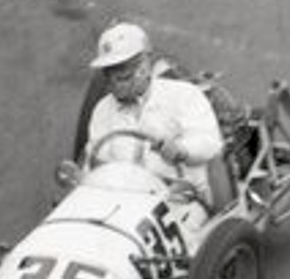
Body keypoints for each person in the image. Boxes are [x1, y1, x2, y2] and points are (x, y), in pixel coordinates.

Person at [83, 22, 224, 208]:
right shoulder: (103, 109)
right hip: (122, 200)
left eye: (122, 70)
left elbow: (209, 142)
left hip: (181, 200)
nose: (114, 80)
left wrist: (181, 150)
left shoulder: (184, 95)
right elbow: (95, 158)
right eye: (108, 72)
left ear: (144, 65)